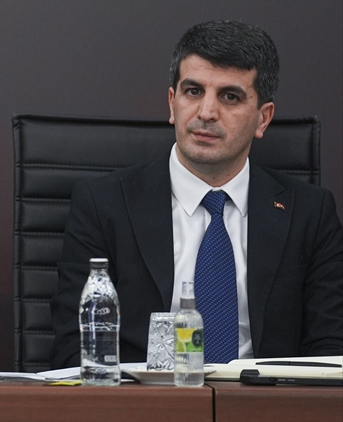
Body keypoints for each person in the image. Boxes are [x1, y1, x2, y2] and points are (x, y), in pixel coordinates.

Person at [51, 21, 343, 368]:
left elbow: (329, 348)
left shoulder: (309, 213)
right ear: (172, 103)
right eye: (193, 92)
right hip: (144, 397)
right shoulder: (103, 205)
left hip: (264, 398)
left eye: (230, 97)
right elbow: (77, 345)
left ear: (263, 119)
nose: (206, 113)